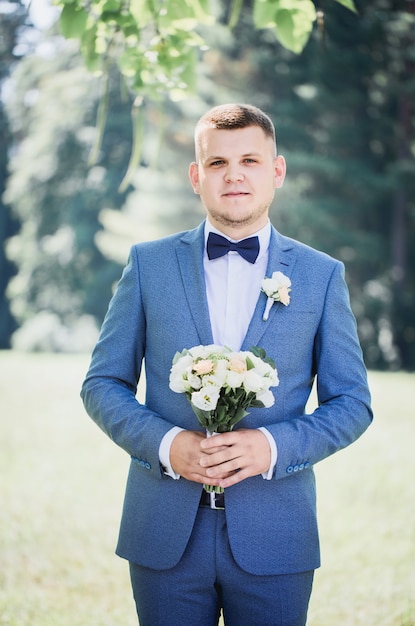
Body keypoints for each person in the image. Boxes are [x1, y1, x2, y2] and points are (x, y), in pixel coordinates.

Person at [81, 103, 372, 626]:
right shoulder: (149, 265)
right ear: (197, 176)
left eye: (250, 161)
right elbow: (102, 384)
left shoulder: (320, 276)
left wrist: (273, 446)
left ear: (276, 171)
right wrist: (169, 446)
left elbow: (352, 402)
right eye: (216, 163)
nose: (233, 174)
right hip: (164, 536)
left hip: (276, 536)